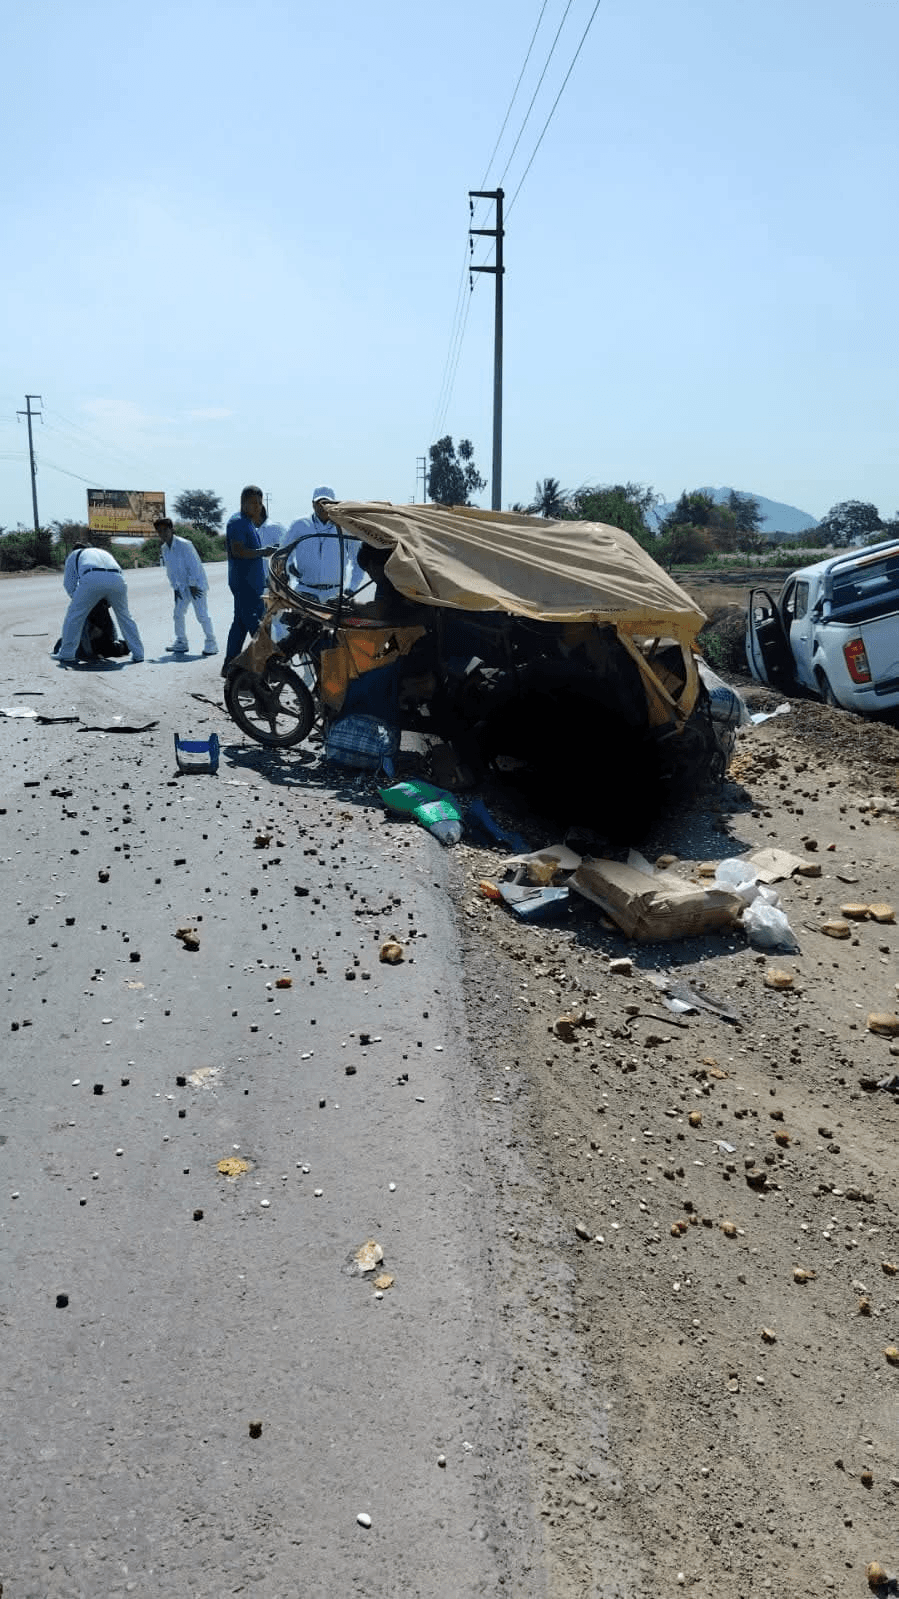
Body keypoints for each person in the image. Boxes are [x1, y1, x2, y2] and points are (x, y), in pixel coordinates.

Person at [57, 541, 144, 666]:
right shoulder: (101, 552)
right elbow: (116, 576)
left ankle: (67, 654)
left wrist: (82, 603)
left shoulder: (74, 555)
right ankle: (139, 654)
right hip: (118, 578)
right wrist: (106, 601)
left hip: (92, 577)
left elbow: (69, 585)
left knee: (74, 616)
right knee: (125, 617)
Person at [223, 484, 278, 672]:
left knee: (239, 627)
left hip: (252, 585)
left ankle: (229, 668)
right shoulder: (237, 522)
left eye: (260, 503)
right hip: (244, 585)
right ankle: (265, 670)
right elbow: (238, 551)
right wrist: (264, 552)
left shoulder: (248, 522)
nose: (257, 507)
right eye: (253, 503)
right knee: (259, 629)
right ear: (243, 502)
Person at [282, 486, 365, 603]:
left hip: (335, 595)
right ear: (312, 504)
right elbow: (284, 553)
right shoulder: (299, 525)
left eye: (327, 502)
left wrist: (352, 588)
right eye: (319, 502)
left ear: (334, 504)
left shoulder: (345, 527)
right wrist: (289, 565)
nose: (323, 506)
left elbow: (358, 561)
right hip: (304, 592)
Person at [155, 516, 218, 656]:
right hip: (181, 587)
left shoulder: (185, 544)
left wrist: (193, 584)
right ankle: (181, 642)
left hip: (196, 585)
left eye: (165, 530)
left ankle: (211, 643)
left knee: (201, 615)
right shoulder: (164, 548)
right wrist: (175, 588)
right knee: (177, 614)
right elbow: (171, 570)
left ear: (172, 529)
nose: (163, 534)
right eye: (159, 531)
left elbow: (194, 565)